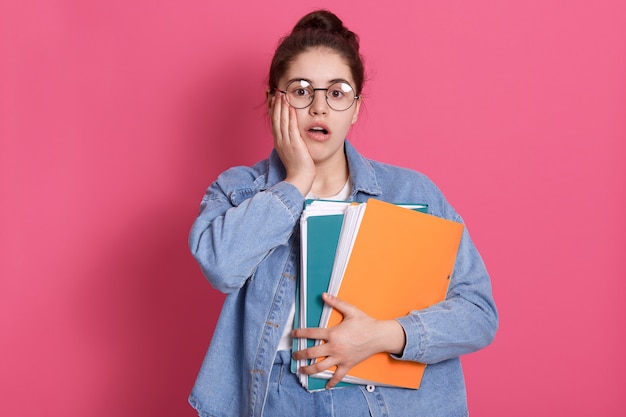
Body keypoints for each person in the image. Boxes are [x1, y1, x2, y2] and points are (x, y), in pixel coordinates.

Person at [188, 9, 497, 417]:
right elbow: (221, 267)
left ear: (354, 107)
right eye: (300, 91)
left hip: (385, 400)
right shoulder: (239, 190)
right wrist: (295, 181)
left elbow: (477, 313)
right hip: (278, 397)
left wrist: (383, 335)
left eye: (336, 92)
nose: (319, 107)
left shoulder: (412, 192)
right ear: (272, 102)